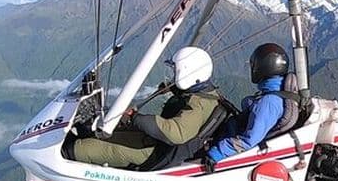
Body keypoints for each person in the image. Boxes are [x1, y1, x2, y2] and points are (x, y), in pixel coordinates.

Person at [73, 46, 222, 168]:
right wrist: (173, 88)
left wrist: (136, 118)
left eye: (175, 71)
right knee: (106, 129)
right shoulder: (205, 95)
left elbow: (176, 133)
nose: (172, 75)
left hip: (154, 152)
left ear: (187, 73)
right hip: (154, 142)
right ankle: (84, 130)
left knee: (83, 148)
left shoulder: (197, 105)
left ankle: (69, 152)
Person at [205, 42, 290, 166]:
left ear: (262, 68)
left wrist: (216, 153)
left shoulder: (268, 103)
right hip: (230, 136)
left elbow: (249, 140)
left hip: (228, 146)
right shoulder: (276, 95)